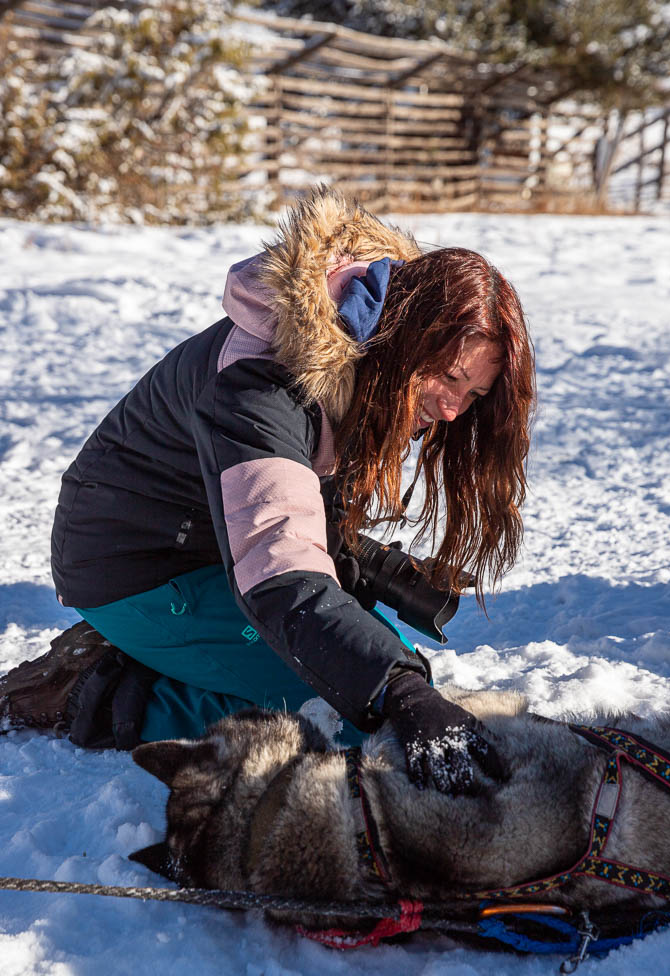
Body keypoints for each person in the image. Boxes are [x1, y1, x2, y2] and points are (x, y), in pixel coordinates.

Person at [8, 188, 535, 796]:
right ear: (408, 337)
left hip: (210, 544)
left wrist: (370, 567)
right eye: (448, 378)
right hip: (134, 565)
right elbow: (278, 563)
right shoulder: (263, 384)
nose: (450, 410)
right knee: (337, 708)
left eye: (472, 396)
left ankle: (167, 653)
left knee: (368, 659)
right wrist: (398, 690)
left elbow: (296, 503)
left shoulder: (360, 346)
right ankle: (93, 691)